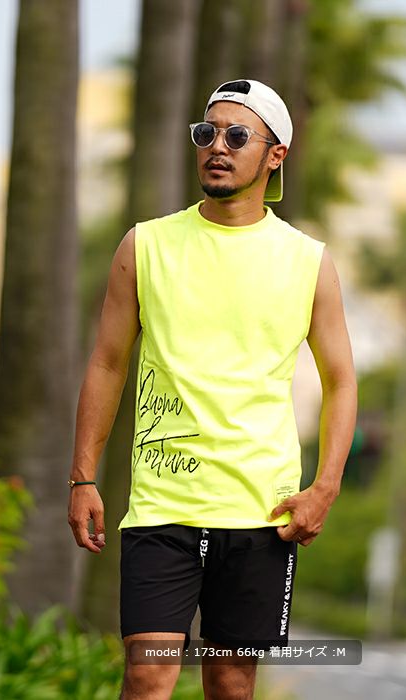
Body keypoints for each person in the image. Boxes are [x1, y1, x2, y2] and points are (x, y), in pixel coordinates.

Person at [68, 79, 357, 700]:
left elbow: (340, 381)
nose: (217, 147)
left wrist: (325, 487)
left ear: (275, 154)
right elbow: (108, 364)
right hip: (162, 506)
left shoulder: (308, 261)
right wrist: (83, 477)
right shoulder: (145, 244)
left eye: (236, 135)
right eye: (207, 133)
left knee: (230, 683)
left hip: (261, 513)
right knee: (147, 676)